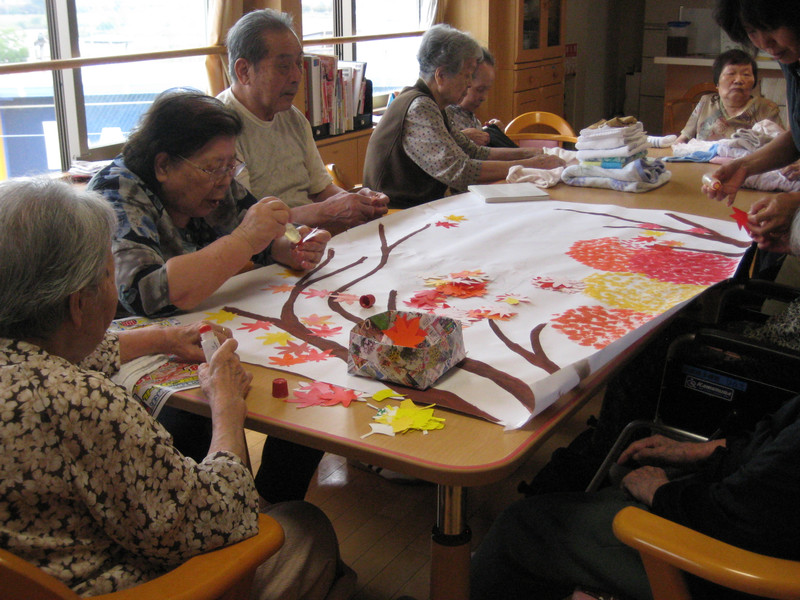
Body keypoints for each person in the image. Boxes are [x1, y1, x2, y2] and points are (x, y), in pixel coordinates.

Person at [0, 178, 353, 600]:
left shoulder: (24, 364)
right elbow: (221, 516)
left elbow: (66, 354)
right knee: (305, 526)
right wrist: (226, 408)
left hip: (32, 575)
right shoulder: (83, 404)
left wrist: (161, 339)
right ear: (78, 304)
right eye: (110, 276)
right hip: (136, 585)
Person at [89, 90, 330, 504]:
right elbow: (147, 293)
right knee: (192, 414)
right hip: (128, 349)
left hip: (199, 327)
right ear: (163, 165)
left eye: (229, 165)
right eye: (212, 167)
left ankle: (272, 505)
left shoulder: (210, 184)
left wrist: (286, 246)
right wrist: (246, 239)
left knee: (308, 389)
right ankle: (224, 509)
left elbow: (260, 235)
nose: (224, 180)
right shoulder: (116, 192)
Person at [218, 9, 389, 236]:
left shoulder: (292, 117)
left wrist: (357, 202)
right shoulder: (220, 128)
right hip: (265, 249)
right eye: (284, 66)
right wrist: (324, 212)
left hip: (310, 236)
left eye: (298, 64)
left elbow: (321, 189)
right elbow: (246, 221)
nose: (297, 76)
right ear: (243, 71)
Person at [362, 24, 564, 209]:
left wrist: (532, 153)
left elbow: (474, 152)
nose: (469, 84)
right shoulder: (420, 108)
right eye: (466, 75)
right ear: (441, 76)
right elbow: (460, 171)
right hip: (396, 214)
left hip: (417, 209)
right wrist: (530, 166)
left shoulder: (433, 104)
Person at [705, 0, 800, 249]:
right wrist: (744, 166)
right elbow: (798, 136)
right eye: (752, 31)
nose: (764, 43)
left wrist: (796, 202)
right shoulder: (792, 59)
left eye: (771, 27)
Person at [675, 48, 783, 144]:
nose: (738, 80)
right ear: (717, 82)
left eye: (746, 74)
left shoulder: (766, 108)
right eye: (731, 73)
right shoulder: (706, 102)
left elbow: (781, 146)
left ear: (754, 82)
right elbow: (682, 139)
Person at [445, 47, 510, 147]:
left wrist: (492, 131)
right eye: (480, 90)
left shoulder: (469, 114)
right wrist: (463, 136)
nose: (484, 97)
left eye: (487, 90)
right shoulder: (445, 115)